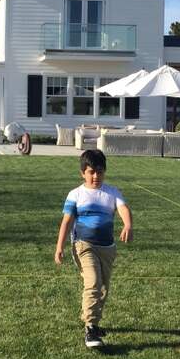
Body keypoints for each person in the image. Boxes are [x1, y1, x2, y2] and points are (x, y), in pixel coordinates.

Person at [54, 149, 133, 348]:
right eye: (91, 172)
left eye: (99, 171)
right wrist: (59, 247)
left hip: (107, 247)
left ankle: (93, 322)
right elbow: (67, 221)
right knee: (94, 282)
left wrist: (128, 225)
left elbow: (123, 209)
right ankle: (90, 329)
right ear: (83, 173)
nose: (96, 176)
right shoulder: (76, 194)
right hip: (83, 245)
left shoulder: (112, 192)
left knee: (103, 288)